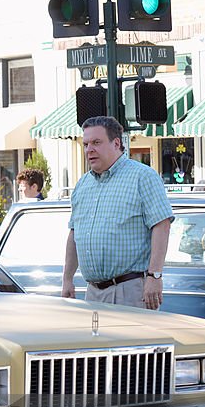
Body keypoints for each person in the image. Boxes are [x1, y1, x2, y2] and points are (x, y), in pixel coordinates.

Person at [62, 116, 173, 310]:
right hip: (93, 293)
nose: (89, 149)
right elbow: (74, 234)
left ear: (116, 143)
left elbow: (161, 224)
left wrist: (155, 276)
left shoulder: (142, 176)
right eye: (86, 144)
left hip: (131, 291)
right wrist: (67, 279)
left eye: (96, 142)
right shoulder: (83, 184)